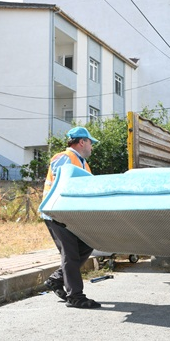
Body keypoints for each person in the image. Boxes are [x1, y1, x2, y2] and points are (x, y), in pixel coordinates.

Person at [41, 126, 102, 309]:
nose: (92, 147)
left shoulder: (83, 163)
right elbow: (62, 183)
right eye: (91, 143)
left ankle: (56, 279)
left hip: (72, 215)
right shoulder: (64, 157)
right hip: (57, 212)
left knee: (86, 244)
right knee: (70, 254)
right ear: (82, 142)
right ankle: (76, 296)